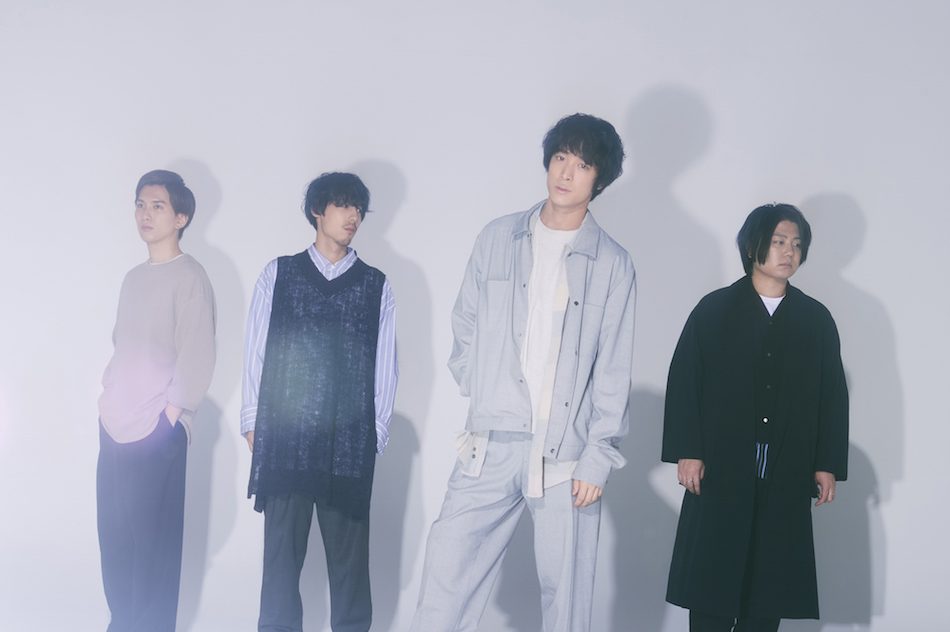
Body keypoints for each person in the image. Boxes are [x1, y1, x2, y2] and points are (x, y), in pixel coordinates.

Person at [410, 113, 636, 632]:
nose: (566, 173)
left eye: (583, 165)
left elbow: (614, 367)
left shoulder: (612, 264)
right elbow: (465, 325)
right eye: (561, 157)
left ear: (599, 180)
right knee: (446, 574)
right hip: (491, 440)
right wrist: (484, 390)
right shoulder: (498, 237)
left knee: (566, 600)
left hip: (567, 456)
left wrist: (598, 456)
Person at [661, 203, 849, 631]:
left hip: (786, 467)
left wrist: (826, 463)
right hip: (721, 465)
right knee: (711, 581)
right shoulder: (714, 310)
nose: (789, 252)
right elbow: (686, 380)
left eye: (796, 244)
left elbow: (832, 396)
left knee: (769, 584)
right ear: (752, 246)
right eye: (779, 241)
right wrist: (688, 451)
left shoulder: (815, 320)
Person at [241, 172, 397, 632]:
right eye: (343, 205)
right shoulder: (279, 274)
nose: (353, 216)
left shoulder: (375, 285)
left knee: (350, 570)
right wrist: (252, 419)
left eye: (359, 209)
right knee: (280, 564)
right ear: (317, 210)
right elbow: (256, 349)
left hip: (347, 443)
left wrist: (375, 433)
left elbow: (385, 363)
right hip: (285, 438)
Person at [97, 169, 217, 631]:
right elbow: (122, 345)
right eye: (140, 205)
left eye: (158, 206)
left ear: (181, 217)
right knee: (115, 543)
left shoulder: (190, 278)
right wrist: (108, 399)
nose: (145, 214)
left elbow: (197, 354)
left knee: (154, 551)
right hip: (115, 428)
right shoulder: (133, 279)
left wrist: (169, 418)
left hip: (157, 431)